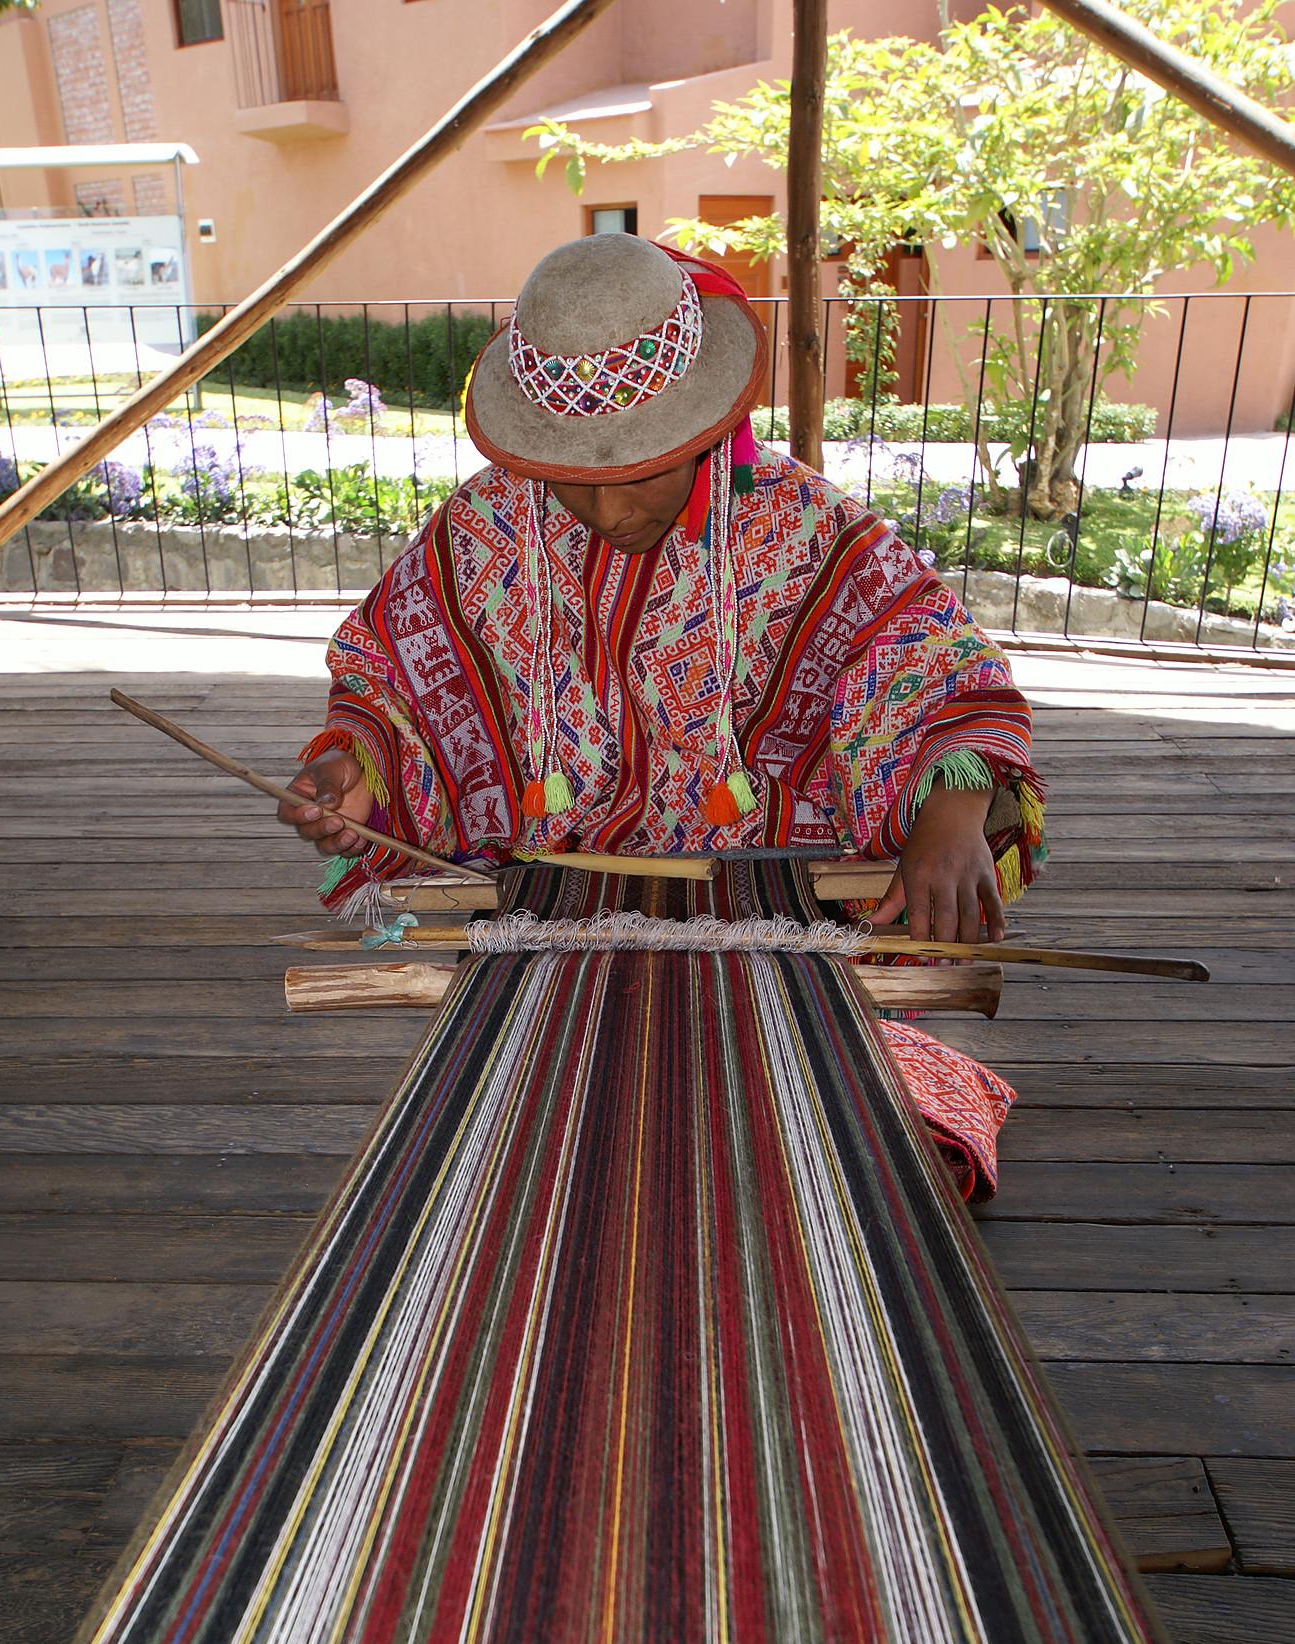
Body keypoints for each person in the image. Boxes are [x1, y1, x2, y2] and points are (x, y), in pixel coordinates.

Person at [278, 234, 1046, 1197]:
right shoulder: (484, 530)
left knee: (828, 1171)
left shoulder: (805, 530)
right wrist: (358, 765)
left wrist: (951, 816)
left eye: (639, 466)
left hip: (778, 913)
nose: (604, 505)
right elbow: (392, 683)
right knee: (550, 1183)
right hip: (551, 918)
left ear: (703, 425)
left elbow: (929, 671)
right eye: (571, 471)